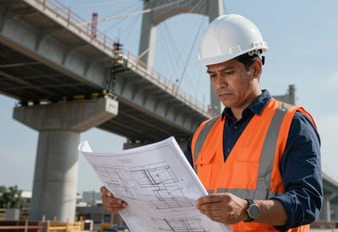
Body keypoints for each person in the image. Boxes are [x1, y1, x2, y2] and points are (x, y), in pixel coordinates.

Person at [100, 14, 322, 232]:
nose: (219, 84)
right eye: (212, 75)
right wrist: (126, 200)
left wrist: (248, 209)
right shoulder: (203, 133)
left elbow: (307, 202)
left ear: (255, 69)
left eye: (228, 72)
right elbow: (175, 194)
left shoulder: (292, 124)